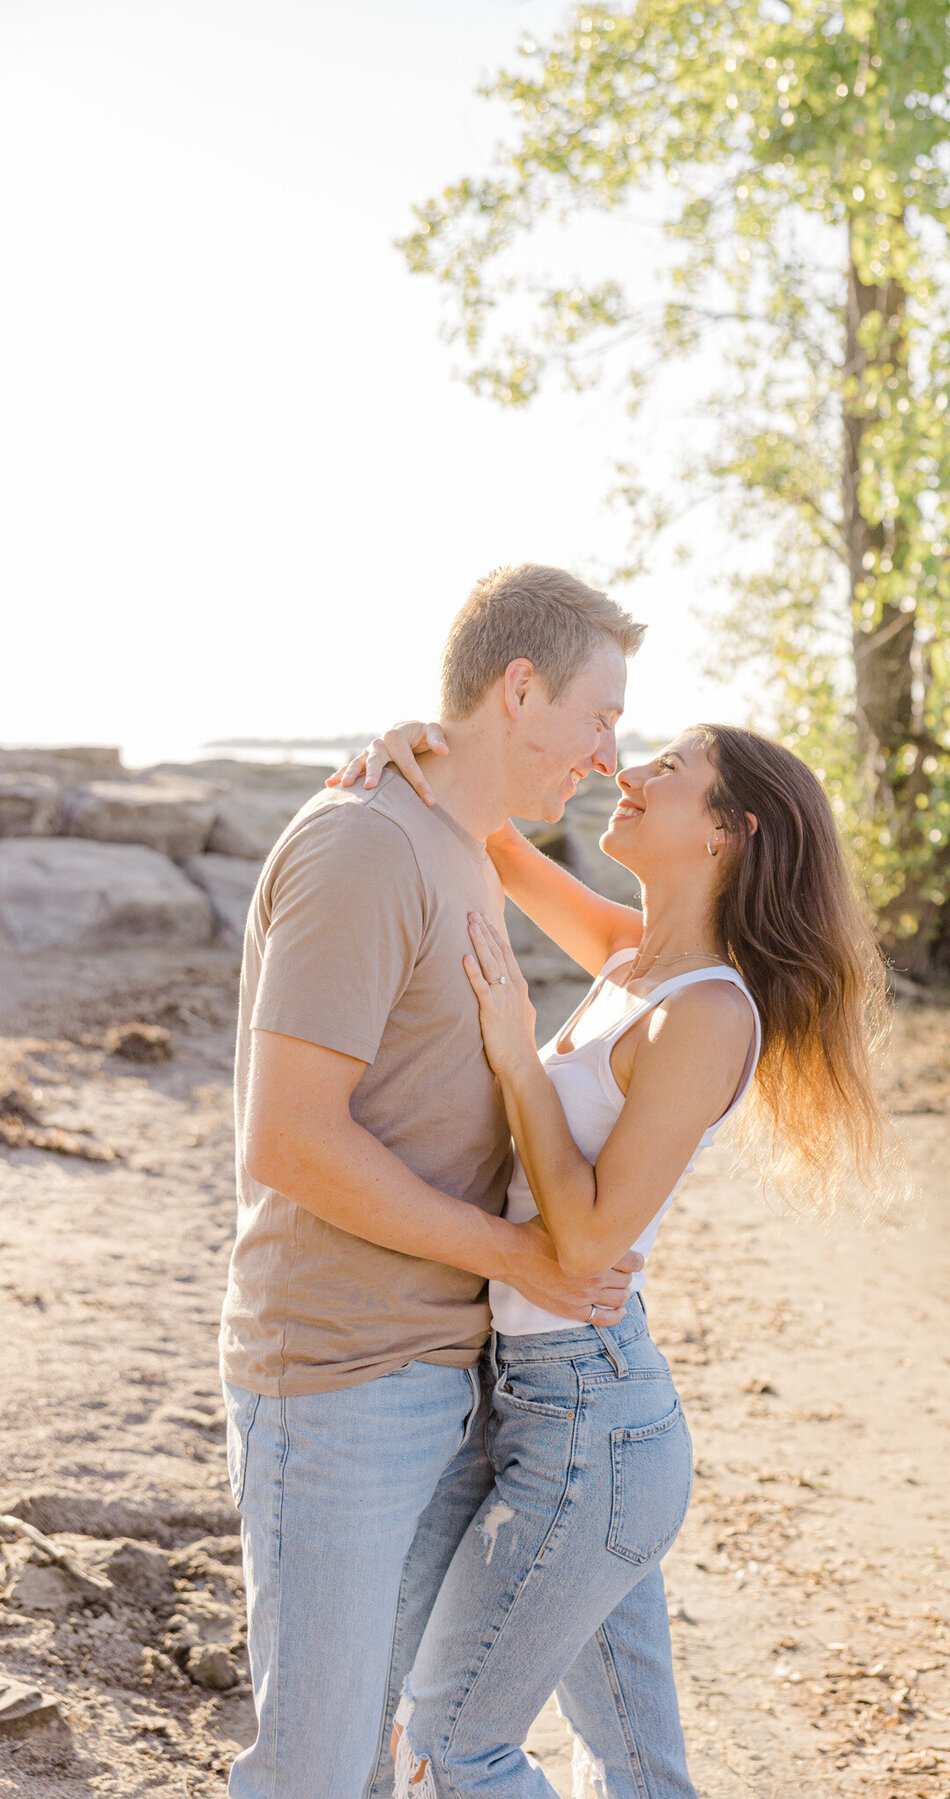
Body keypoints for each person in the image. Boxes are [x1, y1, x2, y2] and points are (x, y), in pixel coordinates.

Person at [332, 712, 892, 1798]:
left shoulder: (710, 1014)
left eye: (669, 768)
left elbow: (585, 1235)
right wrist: (414, 744)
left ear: (733, 829)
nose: (631, 771)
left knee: (448, 1749)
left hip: (592, 1427)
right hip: (539, 1403)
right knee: (637, 1771)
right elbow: (491, 835)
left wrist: (513, 1051)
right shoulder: (635, 960)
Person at [218, 564, 654, 1799]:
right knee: (311, 1770)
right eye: (600, 713)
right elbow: (288, 1139)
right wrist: (519, 1256)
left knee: (399, 1754)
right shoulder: (364, 843)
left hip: (451, 1376)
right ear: (521, 687)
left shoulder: (461, 839)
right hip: (341, 1383)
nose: (613, 753)